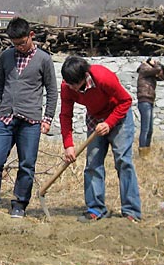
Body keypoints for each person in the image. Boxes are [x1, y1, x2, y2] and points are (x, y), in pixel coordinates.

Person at [0, 17, 58, 218]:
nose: (19, 47)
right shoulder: (6, 57)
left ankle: (20, 203)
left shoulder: (44, 59)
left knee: (27, 164)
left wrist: (47, 118)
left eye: (22, 42)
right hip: (5, 118)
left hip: (31, 121)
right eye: (15, 44)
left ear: (31, 36)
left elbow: (52, 91)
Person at [59, 56, 142, 223]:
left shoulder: (103, 77)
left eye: (73, 84)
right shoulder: (67, 87)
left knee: (123, 161)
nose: (70, 87)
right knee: (92, 164)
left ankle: (131, 211)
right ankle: (95, 209)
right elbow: (65, 115)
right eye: (67, 83)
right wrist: (68, 145)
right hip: (95, 119)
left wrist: (109, 123)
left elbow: (126, 100)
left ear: (83, 77)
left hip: (118, 118)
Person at [136, 58, 164, 158]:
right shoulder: (144, 68)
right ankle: (142, 153)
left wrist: (161, 67)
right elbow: (157, 70)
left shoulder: (150, 72)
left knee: (150, 129)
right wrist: (156, 63)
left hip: (149, 100)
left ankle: (146, 152)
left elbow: (161, 77)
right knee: (145, 128)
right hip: (144, 100)